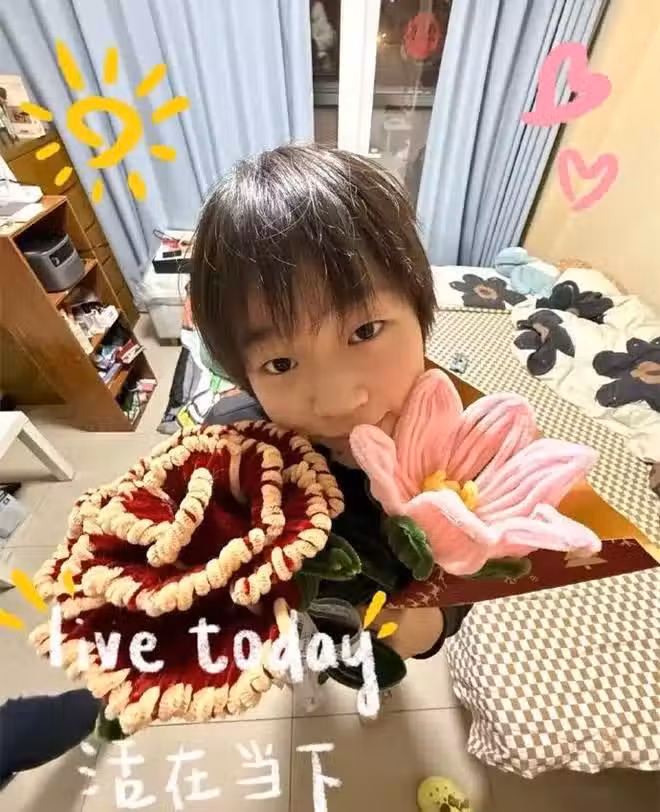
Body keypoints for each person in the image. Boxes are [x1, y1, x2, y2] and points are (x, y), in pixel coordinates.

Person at [190, 143, 473, 811]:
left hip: (389, 616)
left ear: (422, 314)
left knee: (376, 668)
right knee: (301, 654)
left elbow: (463, 574)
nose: (340, 399)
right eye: (281, 364)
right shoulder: (244, 442)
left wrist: (422, 624)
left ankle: (369, 682)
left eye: (365, 330)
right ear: (245, 378)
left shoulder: (456, 455)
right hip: (300, 609)